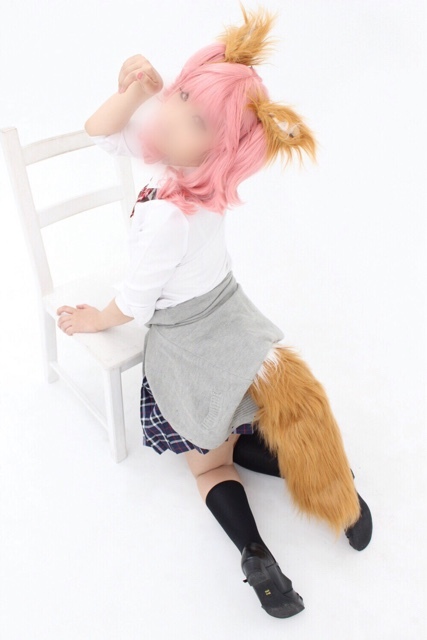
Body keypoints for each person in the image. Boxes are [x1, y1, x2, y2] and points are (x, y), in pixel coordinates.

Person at [56, 4, 372, 619]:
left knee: (208, 466)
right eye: (180, 94)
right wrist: (135, 90)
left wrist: (94, 319)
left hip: (189, 337)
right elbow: (100, 131)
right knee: (243, 422)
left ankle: (256, 555)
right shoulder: (185, 169)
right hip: (230, 312)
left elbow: (136, 303)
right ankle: (330, 482)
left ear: (219, 148)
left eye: (194, 115)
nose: (170, 111)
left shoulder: (169, 213)